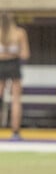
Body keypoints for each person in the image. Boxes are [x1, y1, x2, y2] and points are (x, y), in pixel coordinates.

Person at [0, 12, 29, 140]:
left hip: (2, 64)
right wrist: (13, 52)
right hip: (14, 65)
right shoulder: (19, 33)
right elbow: (25, 54)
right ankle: (15, 132)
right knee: (16, 99)